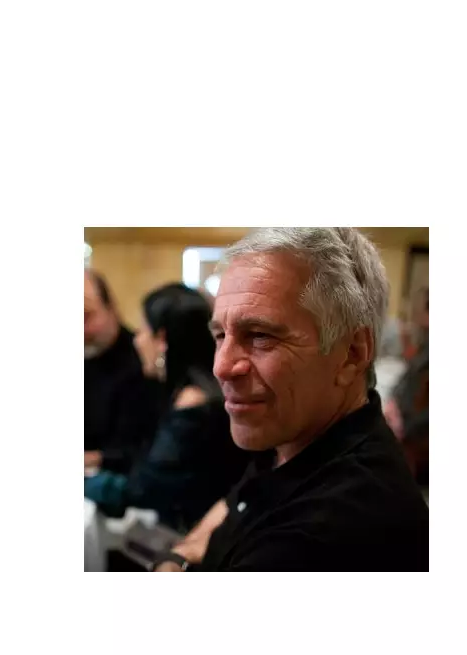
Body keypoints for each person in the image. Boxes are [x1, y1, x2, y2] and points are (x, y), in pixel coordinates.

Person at [152, 227, 429, 572]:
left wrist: (171, 560)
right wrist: (182, 555)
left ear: (352, 355)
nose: (221, 367)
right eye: (220, 335)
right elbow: (236, 501)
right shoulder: (298, 433)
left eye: (259, 336)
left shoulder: (325, 533)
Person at [84, 283, 249, 532]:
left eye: (143, 331)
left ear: (162, 339)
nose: (138, 341)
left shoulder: (193, 405)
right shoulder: (197, 392)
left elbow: (143, 488)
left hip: (195, 534)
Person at [84, 270, 163, 473]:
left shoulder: (146, 361)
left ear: (111, 309)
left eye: (85, 316)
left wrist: (95, 459)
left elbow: (148, 449)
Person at [384, 287, 429, 487]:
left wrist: (404, 428)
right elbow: (407, 377)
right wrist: (393, 403)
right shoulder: (425, 347)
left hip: (415, 439)